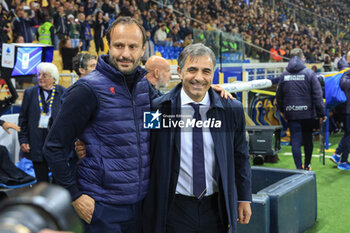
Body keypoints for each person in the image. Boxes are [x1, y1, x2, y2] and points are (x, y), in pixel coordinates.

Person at [44, 17, 231, 233]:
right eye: (119, 45)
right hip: (102, 207)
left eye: (133, 46)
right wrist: (75, 195)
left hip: (140, 205)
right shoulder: (86, 89)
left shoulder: (144, 87)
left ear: (143, 50)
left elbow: (166, 118)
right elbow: (54, 147)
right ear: (108, 46)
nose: (125, 53)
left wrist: (205, 94)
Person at [142, 43, 252, 233]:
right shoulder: (158, 109)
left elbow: (240, 156)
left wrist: (244, 197)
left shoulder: (231, 110)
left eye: (206, 71)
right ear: (180, 72)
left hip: (216, 208)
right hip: (173, 208)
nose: (199, 78)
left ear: (213, 74)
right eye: (192, 70)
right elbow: (143, 148)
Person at [276, 48, 326, 170]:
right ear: (302, 57)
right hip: (307, 114)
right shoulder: (309, 73)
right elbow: (317, 96)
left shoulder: (284, 75)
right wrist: (321, 113)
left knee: (295, 141)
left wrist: (284, 111)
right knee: (308, 140)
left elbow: (279, 96)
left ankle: (299, 169)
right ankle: (307, 165)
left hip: (291, 112)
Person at [18, 63, 65, 182]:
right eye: (39, 74)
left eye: (45, 75)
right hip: (37, 142)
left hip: (57, 144)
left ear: (54, 78)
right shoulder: (30, 93)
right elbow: (23, 119)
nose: (40, 77)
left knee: (59, 180)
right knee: (41, 181)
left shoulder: (64, 93)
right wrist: (23, 140)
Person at [330, 52, 350, 170]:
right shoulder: (346, 69)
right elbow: (344, 84)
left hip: (346, 107)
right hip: (346, 108)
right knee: (349, 134)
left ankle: (342, 159)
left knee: (348, 134)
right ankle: (338, 155)